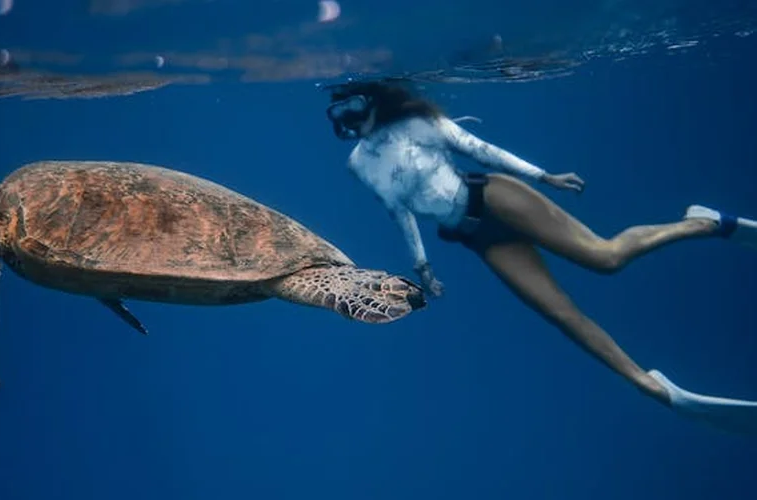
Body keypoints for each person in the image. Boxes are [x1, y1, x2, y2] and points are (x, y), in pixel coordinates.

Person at [323, 77, 757, 434]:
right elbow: (398, 210)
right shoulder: (358, 165)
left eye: (353, 105)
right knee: (560, 314)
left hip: (494, 198)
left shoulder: (417, 121)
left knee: (604, 258)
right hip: (475, 236)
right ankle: (650, 386)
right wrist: (423, 267)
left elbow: (480, 150)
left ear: (373, 100)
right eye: (339, 113)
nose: (348, 119)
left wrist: (544, 176)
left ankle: (702, 223)